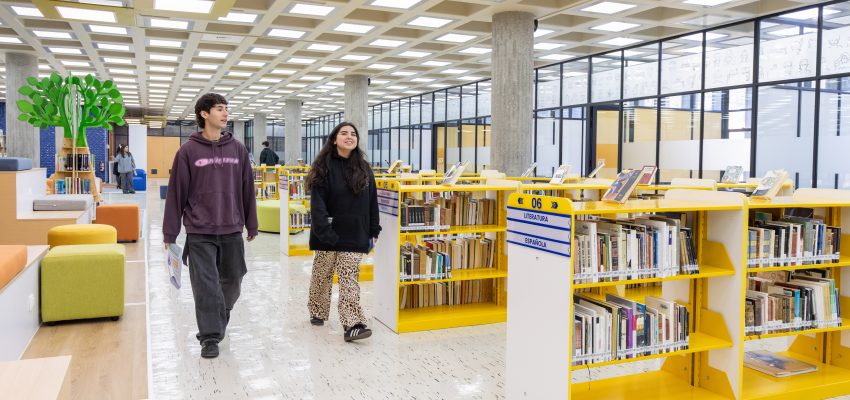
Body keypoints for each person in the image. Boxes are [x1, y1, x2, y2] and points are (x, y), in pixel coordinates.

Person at [162, 93, 258, 359]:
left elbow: (247, 188)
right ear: (204, 114)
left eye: (227, 109)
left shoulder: (238, 149)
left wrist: (252, 223)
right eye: (219, 109)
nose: (225, 113)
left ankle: (221, 312)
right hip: (199, 230)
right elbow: (176, 193)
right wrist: (170, 233)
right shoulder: (188, 152)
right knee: (205, 285)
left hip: (231, 228)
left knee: (234, 280)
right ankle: (210, 337)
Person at [306, 122, 381, 342]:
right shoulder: (323, 167)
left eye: (353, 134)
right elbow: (317, 206)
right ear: (334, 139)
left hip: (355, 234)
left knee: (349, 279)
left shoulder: (365, 168)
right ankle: (317, 309)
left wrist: (374, 230)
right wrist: (326, 234)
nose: (350, 137)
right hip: (327, 234)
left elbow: (372, 202)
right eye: (344, 133)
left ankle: (353, 324)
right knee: (322, 275)